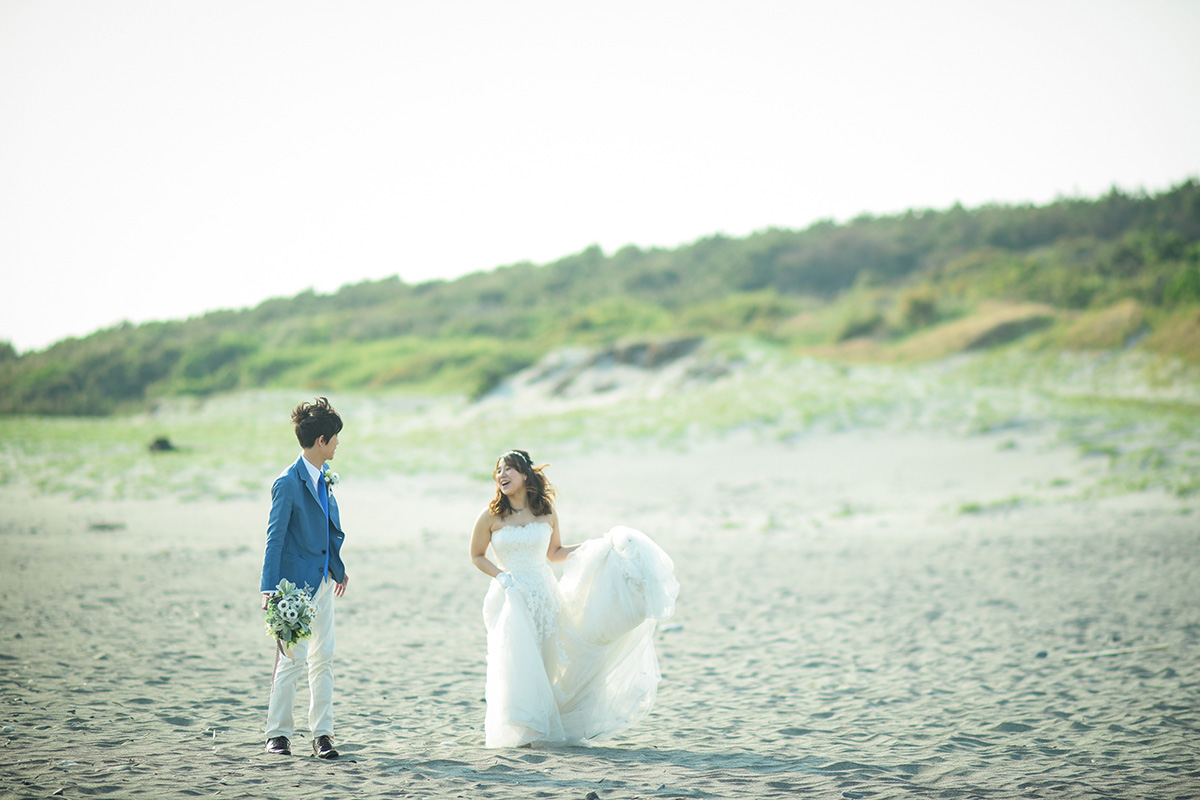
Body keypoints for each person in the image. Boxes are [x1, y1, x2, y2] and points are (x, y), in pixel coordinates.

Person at [470, 449, 679, 747]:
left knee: (543, 662)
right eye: (499, 470)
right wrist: (502, 578)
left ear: (526, 474)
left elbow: (554, 553)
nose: (502, 475)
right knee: (513, 660)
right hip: (509, 594)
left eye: (509, 469)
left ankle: (538, 729)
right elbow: (476, 555)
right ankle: (518, 730)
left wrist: (597, 547)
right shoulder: (491, 514)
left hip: (544, 595)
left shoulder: (545, 511)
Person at [259, 397, 349, 759]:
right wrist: (269, 591)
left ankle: (322, 736)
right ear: (321, 440)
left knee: (324, 658)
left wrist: (338, 568)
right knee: (290, 660)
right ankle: (277, 735)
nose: (339, 443)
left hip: (324, 582)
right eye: (336, 438)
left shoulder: (324, 476)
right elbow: (274, 538)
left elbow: (327, 527)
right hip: (292, 588)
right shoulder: (287, 483)